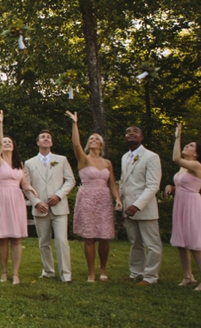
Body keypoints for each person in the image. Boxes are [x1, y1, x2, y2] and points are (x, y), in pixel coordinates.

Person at [66, 112, 122, 282]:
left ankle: (103, 268)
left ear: (101, 144)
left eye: (96, 139)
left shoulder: (107, 163)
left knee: (104, 237)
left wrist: (117, 198)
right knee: (89, 237)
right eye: (90, 139)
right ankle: (91, 272)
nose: (93, 140)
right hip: (87, 198)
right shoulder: (83, 159)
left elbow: (112, 182)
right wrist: (75, 124)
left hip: (103, 199)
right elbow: (76, 144)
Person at [0, 109, 38, 285]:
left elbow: (23, 183)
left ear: (14, 146)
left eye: (9, 142)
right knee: (2, 238)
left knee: (16, 238)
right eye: (4, 141)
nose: (6, 143)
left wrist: (30, 188)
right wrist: (0, 123)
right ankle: (4, 272)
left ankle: (15, 273)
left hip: (16, 199)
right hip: (0, 198)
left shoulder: (18, 164)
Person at [23, 129, 75, 283]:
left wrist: (59, 195)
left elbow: (70, 180)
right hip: (40, 208)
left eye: (48, 137)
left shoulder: (62, 160)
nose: (45, 139)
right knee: (43, 241)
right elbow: (26, 186)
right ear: (38, 142)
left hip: (59, 207)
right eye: (42, 137)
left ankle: (66, 274)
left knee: (61, 240)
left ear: (51, 142)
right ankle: (48, 271)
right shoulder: (29, 163)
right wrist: (36, 202)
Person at [166, 123, 201, 291]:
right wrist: (172, 188)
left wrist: (178, 137)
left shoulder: (197, 166)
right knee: (181, 243)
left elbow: (176, 158)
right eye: (186, 143)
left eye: (190, 145)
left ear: (196, 153)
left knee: (194, 244)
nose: (187, 146)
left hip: (192, 206)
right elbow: (184, 184)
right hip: (181, 204)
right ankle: (188, 277)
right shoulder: (184, 167)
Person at [120, 125, 163, 286]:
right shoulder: (125, 157)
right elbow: (124, 183)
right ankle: (136, 273)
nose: (131, 134)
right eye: (128, 132)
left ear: (142, 137)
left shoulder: (151, 157)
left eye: (135, 132)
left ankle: (151, 276)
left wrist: (137, 205)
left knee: (152, 244)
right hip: (127, 207)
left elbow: (153, 185)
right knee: (135, 242)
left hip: (144, 208)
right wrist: (121, 204)